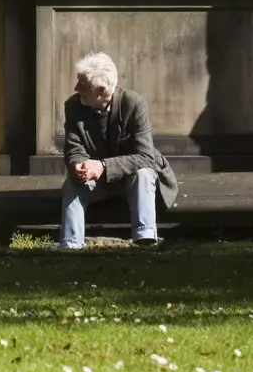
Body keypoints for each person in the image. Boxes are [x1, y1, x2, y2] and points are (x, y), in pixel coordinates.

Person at [58, 51, 178, 249]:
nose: (76, 88)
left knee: (145, 174)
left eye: (83, 85)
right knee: (73, 181)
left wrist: (103, 166)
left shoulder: (134, 104)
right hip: (95, 179)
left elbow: (146, 156)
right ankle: (70, 244)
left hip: (131, 178)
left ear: (102, 90)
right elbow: (74, 148)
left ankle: (145, 238)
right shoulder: (73, 106)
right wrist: (78, 165)